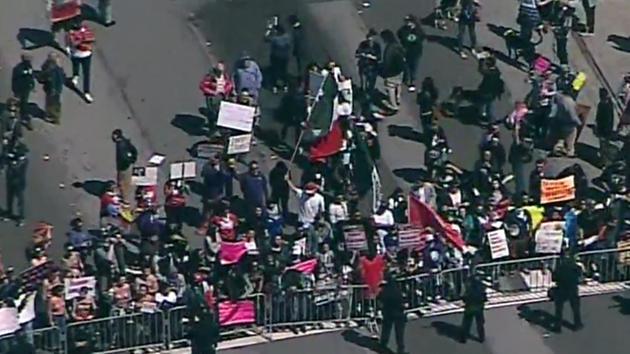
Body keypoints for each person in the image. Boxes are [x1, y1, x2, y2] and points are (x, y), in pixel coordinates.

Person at [552, 250, 583, 332]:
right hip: (573, 288)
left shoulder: (559, 267)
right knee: (575, 308)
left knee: (559, 309)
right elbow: (580, 275)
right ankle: (577, 324)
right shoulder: (575, 266)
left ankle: (558, 326)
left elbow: (554, 277)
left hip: (561, 289)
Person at [199, 62, 234, 131]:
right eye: (218, 71)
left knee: (221, 112)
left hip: (222, 96)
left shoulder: (225, 76)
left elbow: (229, 84)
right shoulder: (210, 77)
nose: (220, 72)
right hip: (212, 97)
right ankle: (211, 128)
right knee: (212, 112)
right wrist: (212, 92)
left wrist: (225, 90)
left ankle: (219, 127)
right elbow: (202, 86)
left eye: (221, 71)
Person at [66, 21, 96, 103]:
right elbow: (92, 39)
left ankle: (75, 77)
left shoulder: (71, 33)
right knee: (86, 73)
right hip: (86, 54)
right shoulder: (86, 30)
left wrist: (68, 50)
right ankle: (86, 92)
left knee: (75, 66)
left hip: (76, 54)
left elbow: (69, 43)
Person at [378, 272, 406, 354]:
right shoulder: (398, 290)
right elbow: (403, 300)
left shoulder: (385, 291)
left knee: (386, 330)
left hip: (388, 312)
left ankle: (383, 345)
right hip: (399, 313)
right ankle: (401, 350)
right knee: (400, 333)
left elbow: (380, 300)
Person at [397, 15, 425, 92]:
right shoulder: (403, 30)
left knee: (414, 67)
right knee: (406, 66)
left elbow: (421, 38)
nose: (407, 23)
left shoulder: (418, 30)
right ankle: (406, 78)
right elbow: (401, 36)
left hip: (416, 52)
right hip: (406, 51)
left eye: (408, 22)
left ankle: (412, 81)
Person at [379, 29, 406, 111]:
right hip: (401, 69)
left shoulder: (389, 48)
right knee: (398, 84)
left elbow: (387, 62)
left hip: (392, 72)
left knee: (390, 87)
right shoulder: (398, 45)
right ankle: (398, 99)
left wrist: (384, 72)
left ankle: (393, 104)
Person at [4, 139, 28, 227]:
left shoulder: (24, 161)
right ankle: (9, 212)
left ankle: (21, 217)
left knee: (19, 201)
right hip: (10, 181)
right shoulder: (13, 157)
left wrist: (13, 162)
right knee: (9, 198)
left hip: (19, 184)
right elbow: (6, 159)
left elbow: (16, 167)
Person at [551, 89, 582, 157]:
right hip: (569, 122)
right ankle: (570, 152)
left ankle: (557, 149)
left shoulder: (560, 97)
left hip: (560, 120)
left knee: (561, 136)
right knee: (571, 137)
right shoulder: (569, 101)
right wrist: (578, 122)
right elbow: (572, 114)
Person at [38, 52, 65, 125]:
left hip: (52, 89)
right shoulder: (59, 68)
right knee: (56, 103)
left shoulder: (51, 69)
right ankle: (55, 116)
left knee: (51, 103)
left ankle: (51, 116)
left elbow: (46, 77)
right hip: (57, 89)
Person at [112, 129, 138, 201]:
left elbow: (124, 158)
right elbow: (134, 150)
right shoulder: (124, 141)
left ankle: (124, 199)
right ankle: (124, 196)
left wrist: (127, 162)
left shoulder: (121, 145)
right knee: (124, 182)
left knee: (122, 183)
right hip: (125, 167)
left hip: (123, 168)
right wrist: (133, 159)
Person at [460, 272, 487, 343]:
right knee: (480, 324)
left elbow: (463, 297)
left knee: (467, 323)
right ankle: (481, 338)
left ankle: (463, 338)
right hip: (479, 307)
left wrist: (465, 301)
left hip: (469, 307)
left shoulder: (467, 287)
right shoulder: (482, 286)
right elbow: (484, 297)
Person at [265, 24, 292, 93]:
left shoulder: (275, 39)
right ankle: (285, 86)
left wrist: (268, 30)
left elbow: (266, 38)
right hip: (285, 58)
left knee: (274, 72)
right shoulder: (287, 37)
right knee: (284, 72)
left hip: (276, 58)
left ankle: (274, 86)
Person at [11, 53, 35, 130]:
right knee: (17, 103)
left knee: (24, 104)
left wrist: (32, 84)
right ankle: (14, 120)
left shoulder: (29, 67)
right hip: (19, 89)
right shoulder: (18, 68)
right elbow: (15, 79)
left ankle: (24, 119)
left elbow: (31, 77)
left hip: (26, 89)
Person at [477, 56, 505, 123]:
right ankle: (491, 119)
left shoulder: (489, 73)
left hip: (486, 91)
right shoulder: (497, 71)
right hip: (493, 93)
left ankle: (483, 116)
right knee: (490, 105)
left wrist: (481, 62)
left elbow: (481, 70)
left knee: (483, 102)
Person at [355, 29, 381, 97]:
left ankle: (369, 95)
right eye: (369, 37)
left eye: (371, 38)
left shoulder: (377, 46)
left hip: (372, 67)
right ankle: (363, 94)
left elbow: (379, 58)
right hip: (363, 66)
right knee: (363, 83)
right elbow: (357, 54)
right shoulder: (363, 44)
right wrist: (362, 54)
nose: (370, 39)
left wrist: (371, 56)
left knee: (371, 84)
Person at [595, 88, 614, 167]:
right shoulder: (609, 104)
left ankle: (603, 162)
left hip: (604, 130)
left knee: (603, 147)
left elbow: (602, 118)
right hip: (606, 129)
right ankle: (604, 161)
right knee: (604, 146)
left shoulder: (603, 105)